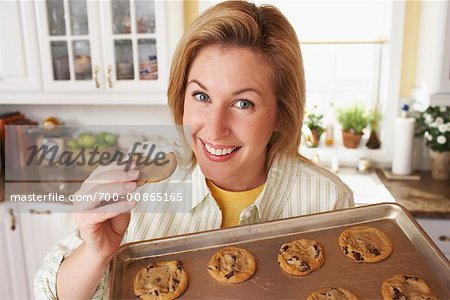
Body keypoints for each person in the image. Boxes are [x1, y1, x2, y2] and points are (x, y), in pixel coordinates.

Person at [35, 1, 354, 299]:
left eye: (243, 103)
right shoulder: (141, 182)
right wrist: (96, 251)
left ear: (280, 115)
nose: (215, 129)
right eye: (201, 96)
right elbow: (49, 292)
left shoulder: (327, 199)